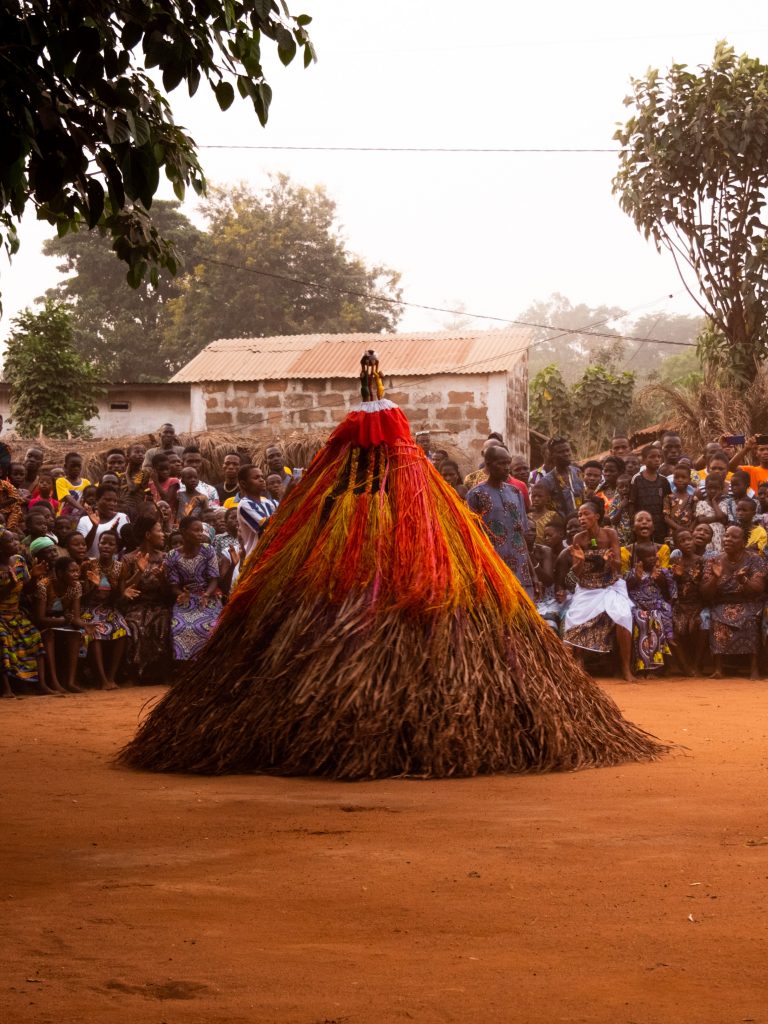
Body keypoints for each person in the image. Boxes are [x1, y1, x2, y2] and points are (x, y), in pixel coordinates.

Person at [562, 499, 633, 682]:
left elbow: (618, 566)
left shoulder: (610, 534)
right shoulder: (578, 539)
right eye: (580, 515)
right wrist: (580, 561)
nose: (582, 518)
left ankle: (625, 668)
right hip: (587, 589)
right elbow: (575, 574)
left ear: (597, 516)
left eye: (586, 514)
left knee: (623, 615)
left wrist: (609, 560)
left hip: (610, 586)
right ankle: (576, 667)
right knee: (573, 620)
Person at [467, 445, 536, 599]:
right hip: (493, 568)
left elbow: (521, 536)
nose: (506, 468)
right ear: (488, 464)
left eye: (508, 463)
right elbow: (472, 537)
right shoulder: (476, 495)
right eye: (501, 463)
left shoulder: (515, 492)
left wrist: (533, 574)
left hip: (521, 569)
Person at [701, 524, 767, 679]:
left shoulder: (755, 559)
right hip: (722, 603)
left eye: (733, 537)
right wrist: (715, 578)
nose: (728, 539)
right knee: (717, 618)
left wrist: (744, 580)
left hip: (749, 602)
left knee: (751, 619)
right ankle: (718, 668)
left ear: (743, 542)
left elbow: (758, 588)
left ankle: (754, 668)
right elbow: (705, 593)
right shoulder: (714, 560)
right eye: (726, 536)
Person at [120, 517, 172, 682]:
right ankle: (137, 673)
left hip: (159, 604)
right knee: (136, 626)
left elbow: (168, 592)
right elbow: (125, 589)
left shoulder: (165, 557)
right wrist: (139, 572)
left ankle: (156, 672)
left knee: (162, 622)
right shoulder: (129, 558)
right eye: (159, 530)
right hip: (136, 605)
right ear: (148, 534)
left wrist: (163, 579)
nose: (163, 534)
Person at [0, 528, 50, 697]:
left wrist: (35, 576)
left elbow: (27, 590)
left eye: (15, 540)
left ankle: (41, 684)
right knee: (2, 638)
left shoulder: (20, 561)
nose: (16, 543)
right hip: (1, 615)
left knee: (35, 635)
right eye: (10, 541)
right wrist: (9, 586)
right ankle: (6, 688)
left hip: (15, 614)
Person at [165, 516, 222, 661]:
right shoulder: (172, 555)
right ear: (183, 532)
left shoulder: (208, 550)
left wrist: (207, 594)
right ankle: (185, 667)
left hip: (207, 597)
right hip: (186, 599)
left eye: (201, 531)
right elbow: (173, 586)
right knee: (180, 627)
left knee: (210, 626)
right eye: (196, 530)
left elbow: (214, 579)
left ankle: (206, 664)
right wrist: (182, 594)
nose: (200, 534)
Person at [81, 531, 128, 690]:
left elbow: (119, 597)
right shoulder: (88, 565)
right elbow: (82, 596)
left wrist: (115, 585)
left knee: (122, 630)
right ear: (98, 544)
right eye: (103, 543)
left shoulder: (120, 567)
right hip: (89, 608)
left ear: (116, 547)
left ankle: (111, 676)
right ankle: (102, 679)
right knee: (96, 633)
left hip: (109, 608)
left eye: (111, 544)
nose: (106, 546)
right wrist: (93, 586)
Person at [625, 535, 678, 675]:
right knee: (642, 619)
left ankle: (655, 666)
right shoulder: (633, 572)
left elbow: (671, 588)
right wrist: (638, 578)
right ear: (640, 559)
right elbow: (626, 588)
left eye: (653, 555)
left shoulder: (663, 572)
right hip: (638, 606)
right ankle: (642, 666)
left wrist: (659, 577)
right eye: (648, 557)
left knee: (657, 616)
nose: (652, 559)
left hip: (656, 605)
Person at [34, 555, 86, 693]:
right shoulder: (44, 586)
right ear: (60, 573)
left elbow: (76, 618)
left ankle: (70, 681)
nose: (76, 575)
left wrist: (86, 625)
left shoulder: (76, 587)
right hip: (44, 625)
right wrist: (62, 620)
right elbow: (39, 618)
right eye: (72, 571)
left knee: (75, 635)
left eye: (77, 571)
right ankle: (54, 681)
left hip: (63, 623)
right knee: (49, 635)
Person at [669, 528, 706, 675]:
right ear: (677, 545)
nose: (687, 543)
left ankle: (697, 664)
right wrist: (676, 577)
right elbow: (671, 587)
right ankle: (684, 666)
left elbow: (705, 585)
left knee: (699, 624)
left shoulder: (701, 561)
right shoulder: (676, 562)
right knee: (672, 627)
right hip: (681, 605)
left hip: (698, 604)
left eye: (689, 539)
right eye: (682, 541)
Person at [628, 445, 671, 543]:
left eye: (659, 457)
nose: (657, 459)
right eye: (652, 457)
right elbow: (631, 504)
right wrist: (633, 524)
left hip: (660, 525)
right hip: (642, 525)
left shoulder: (663, 481)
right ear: (643, 461)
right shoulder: (637, 479)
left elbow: (668, 503)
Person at [235, 465, 279, 559]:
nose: (262, 480)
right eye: (256, 477)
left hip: (273, 553)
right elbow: (266, 525)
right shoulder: (245, 505)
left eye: (262, 477)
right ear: (243, 484)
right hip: (256, 558)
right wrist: (287, 493)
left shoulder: (268, 502)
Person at [77, 484, 129, 557]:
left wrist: (113, 533)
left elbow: (122, 548)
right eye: (108, 500)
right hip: (90, 565)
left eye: (115, 501)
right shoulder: (84, 520)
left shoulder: (122, 517)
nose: (112, 503)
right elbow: (83, 548)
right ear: (97, 500)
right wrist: (94, 527)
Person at [540, 437, 584, 518]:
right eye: (561, 452)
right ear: (552, 455)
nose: (566, 454)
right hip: (561, 526)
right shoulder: (546, 482)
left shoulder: (578, 472)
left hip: (582, 523)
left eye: (567, 450)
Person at [694, 475, 733, 553]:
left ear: (722, 489)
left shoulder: (724, 503)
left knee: (718, 555)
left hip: (720, 535)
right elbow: (701, 520)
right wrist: (718, 518)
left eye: (716, 488)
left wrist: (714, 501)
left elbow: (723, 518)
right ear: (705, 488)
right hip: (705, 534)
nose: (712, 491)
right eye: (710, 488)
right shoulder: (701, 503)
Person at [663, 463, 696, 539]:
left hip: (689, 534)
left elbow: (696, 517)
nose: (680, 480)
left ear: (689, 480)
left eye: (683, 477)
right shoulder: (668, 497)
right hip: (673, 534)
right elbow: (666, 518)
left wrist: (690, 529)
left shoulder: (693, 498)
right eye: (676, 477)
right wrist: (680, 529)